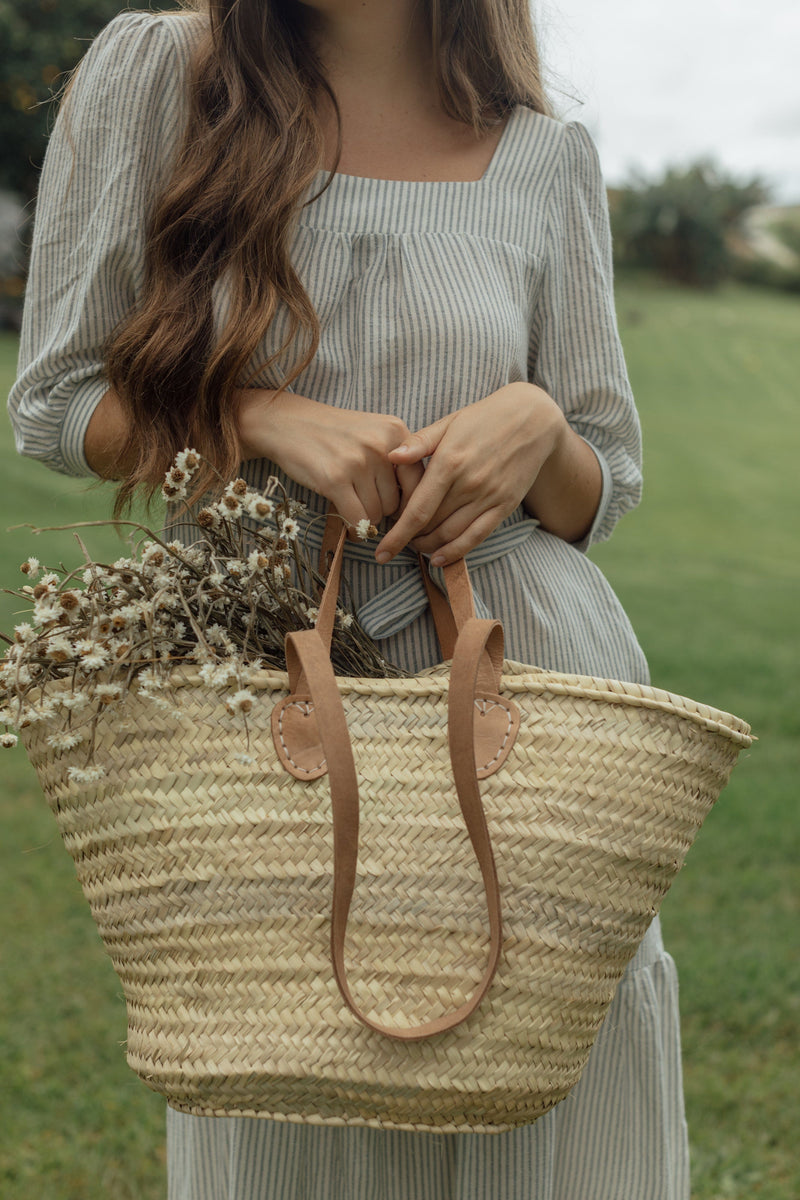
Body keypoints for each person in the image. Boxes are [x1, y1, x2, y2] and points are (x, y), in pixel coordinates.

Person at [8, 2, 689, 1197]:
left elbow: (600, 483)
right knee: (283, 1064)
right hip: (278, 677)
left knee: (539, 1066)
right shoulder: (161, 74)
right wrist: (253, 415)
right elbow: (59, 402)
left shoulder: (543, 152)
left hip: (518, 662)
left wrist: (534, 424)